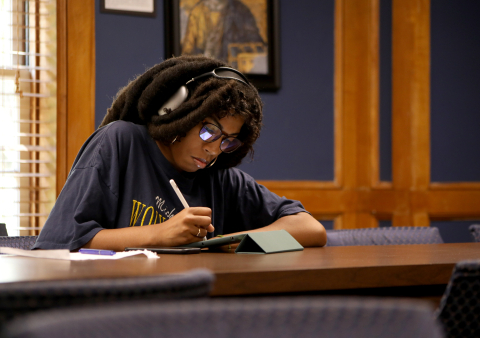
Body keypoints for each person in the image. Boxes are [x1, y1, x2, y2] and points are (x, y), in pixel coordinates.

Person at [33, 55, 326, 251]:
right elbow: (57, 244)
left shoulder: (219, 178)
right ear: (179, 112)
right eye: (209, 131)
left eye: (228, 141)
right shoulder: (120, 142)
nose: (214, 150)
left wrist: (227, 241)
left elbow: (311, 228)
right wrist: (160, 234)